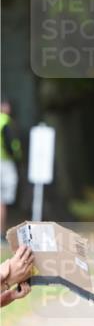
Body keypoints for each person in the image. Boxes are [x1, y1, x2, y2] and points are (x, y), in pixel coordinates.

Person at [1, 100, 22, 238]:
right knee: (2, 199)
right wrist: (17, 156)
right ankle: (1, 232)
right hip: (4, 163)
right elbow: (11, 145)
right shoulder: (5, 121)